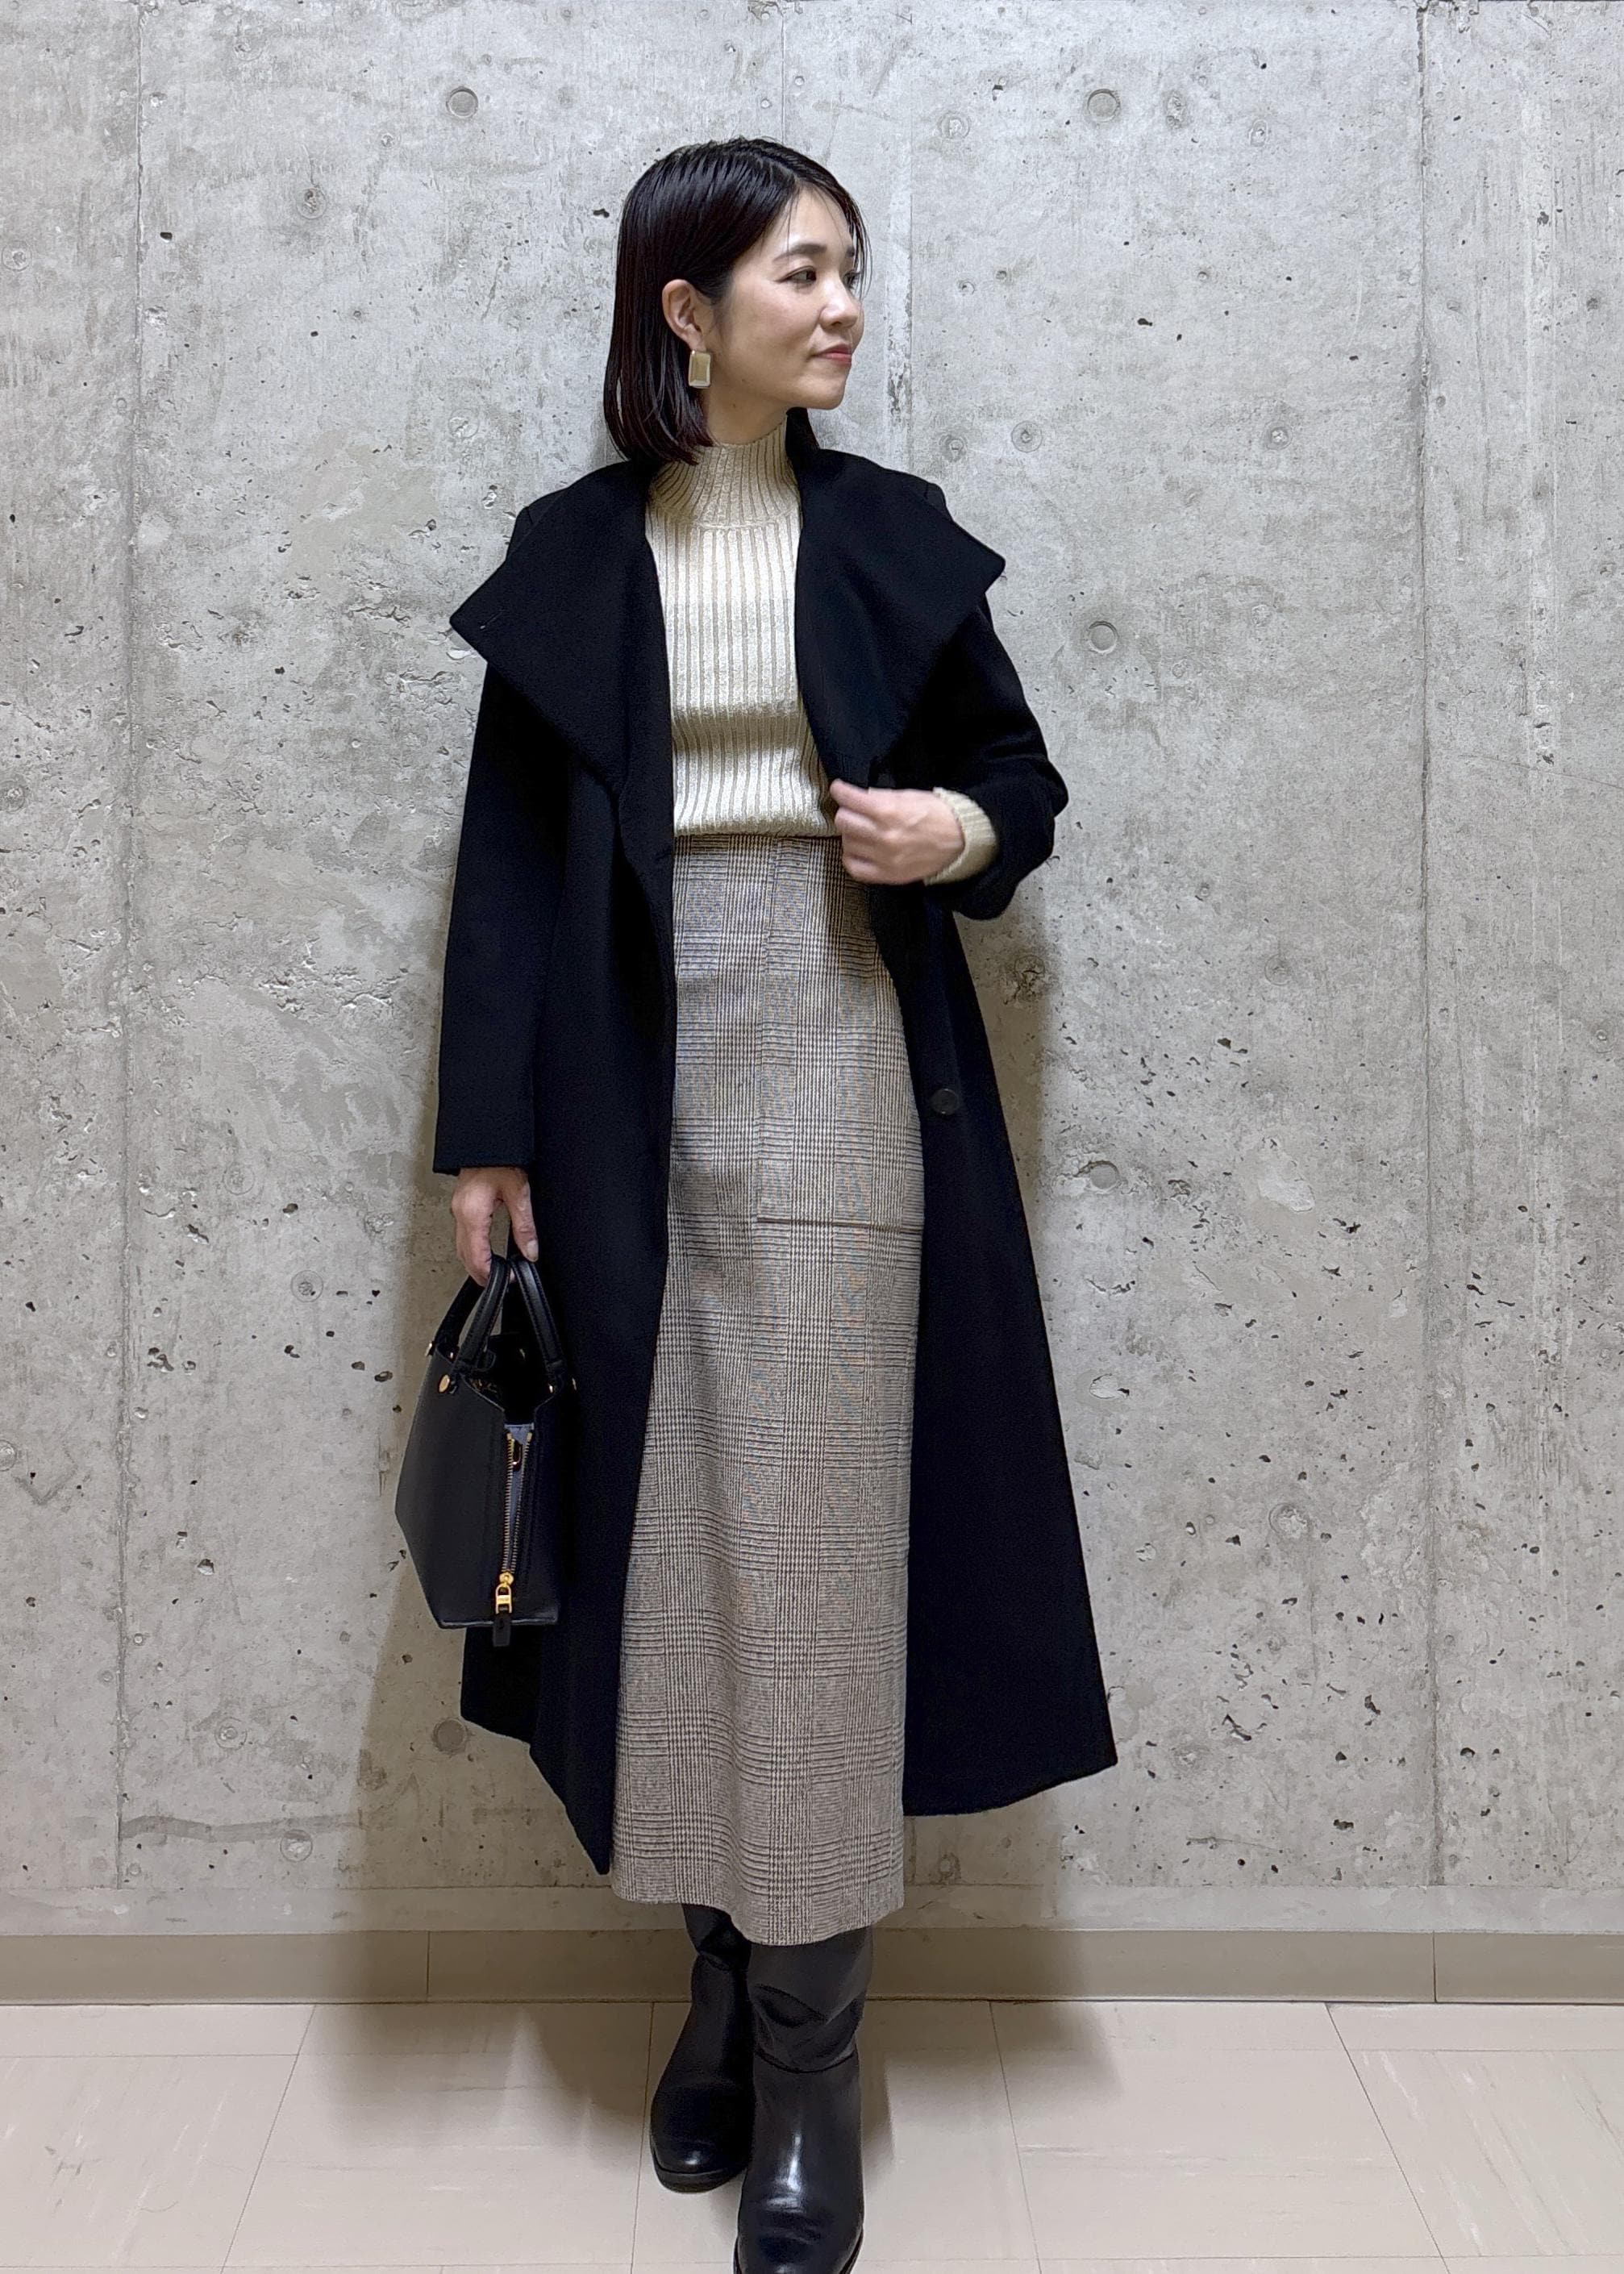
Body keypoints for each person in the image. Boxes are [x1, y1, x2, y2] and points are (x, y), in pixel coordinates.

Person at [433, 137, 1117, 2274]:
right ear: (688, 310)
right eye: (801, 274)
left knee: (813, 1562)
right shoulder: (574, 555)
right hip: (614, 1081)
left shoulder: (892, 534)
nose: (841, 308)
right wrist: (482, 1139)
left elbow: (1021, 783)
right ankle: (723, 1981)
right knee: (668, 1555)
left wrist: (950, 837)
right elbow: (510, 862)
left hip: (837, 1050)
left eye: (850, 271)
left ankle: (811, 2066)